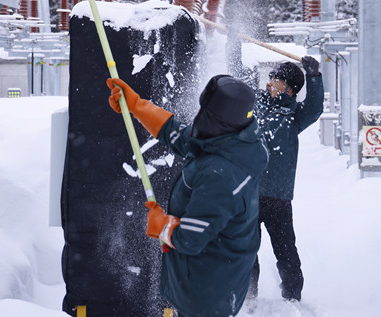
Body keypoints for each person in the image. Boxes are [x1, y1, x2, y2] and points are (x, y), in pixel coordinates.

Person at [107, 74, 269, 317]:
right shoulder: (235, 141)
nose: (197, 116)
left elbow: (190, 239)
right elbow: (181, 136)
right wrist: (136, 105)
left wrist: (162, 225)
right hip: (216, 278)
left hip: (207, 294)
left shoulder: (220, 175)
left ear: (216, 121)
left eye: (205, 111)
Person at [249, 56, 323, 303]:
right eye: (270, 77)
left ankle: (292, 296)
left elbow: (314, 107)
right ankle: (248, 295)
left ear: (290, 89)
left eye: (277, 79)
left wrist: (314, 77)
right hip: (248, 194)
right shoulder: (254, 104)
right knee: (246, 248)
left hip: (278, 197)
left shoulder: (294, 116)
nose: (271, 82)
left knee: (286, 249)